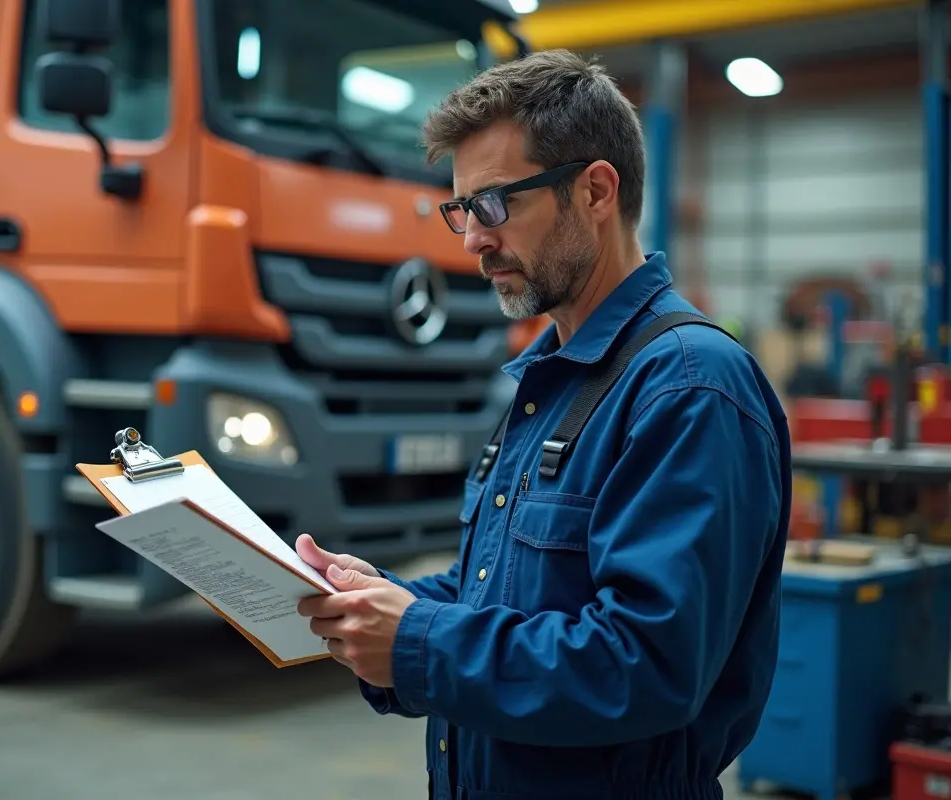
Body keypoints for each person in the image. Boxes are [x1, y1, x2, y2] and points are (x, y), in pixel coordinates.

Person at [295, 49, 792, 799]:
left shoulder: (688, 387)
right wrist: (377, 600)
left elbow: (645, 665)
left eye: (494, 204)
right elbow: (493, 593)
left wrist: (418, 642)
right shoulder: (551, 380)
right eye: (461, 210)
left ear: (594, 190)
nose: (472, 240)